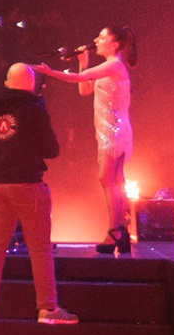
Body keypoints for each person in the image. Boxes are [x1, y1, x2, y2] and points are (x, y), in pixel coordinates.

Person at [0, 63, 77, 324]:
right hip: (28, 185)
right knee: (40, 249)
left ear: (7, 83)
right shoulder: (34, 108)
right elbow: (51, 149)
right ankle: (48, 310)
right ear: (31, 85)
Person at [36, 26, 137, 255]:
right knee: (115, 180)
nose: (96, 40)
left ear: (115, 44)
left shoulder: (114, 64)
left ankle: (114, 231)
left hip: (114, 129)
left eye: (101, 37)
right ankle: (120, 229)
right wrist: (84, 61)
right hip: (109, 128)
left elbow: (80, 79)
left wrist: (49, 72)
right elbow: (84, 89)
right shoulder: (109, 67)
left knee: (107, 179)